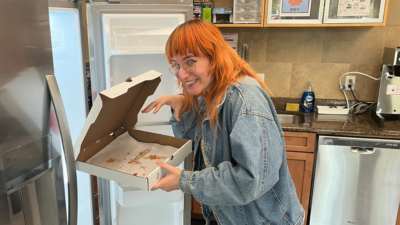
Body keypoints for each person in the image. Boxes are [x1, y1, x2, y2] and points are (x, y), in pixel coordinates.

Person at [141, 20, 304, 225]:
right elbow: (199, 144)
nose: (181, 74)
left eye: (190, 61)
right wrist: (183, 108)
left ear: (215, 57)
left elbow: (251, 181)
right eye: (176, 64)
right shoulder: (212, 93)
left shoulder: (244, 98)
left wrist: (185, 181)